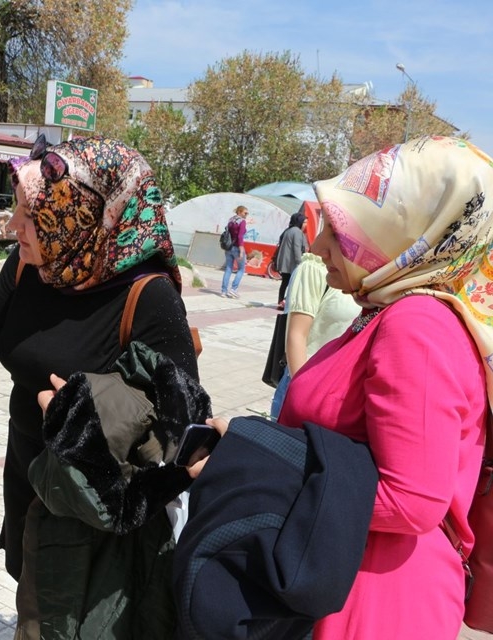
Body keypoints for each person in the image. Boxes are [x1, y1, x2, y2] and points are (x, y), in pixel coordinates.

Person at [200, 137, 493, 638]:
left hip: (374, 603)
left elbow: (411, 501)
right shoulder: (391, 312)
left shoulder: (417, 326)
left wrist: (257, 466)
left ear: (405, 230)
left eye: (338, 229)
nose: (316, 247)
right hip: (345, 578)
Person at [0, 136, 198, 604]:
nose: (14, 225)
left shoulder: (147, 295)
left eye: (33, 215)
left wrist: (82, 417)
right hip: (28, 480)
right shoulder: (32, 267)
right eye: (17, 209)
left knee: (68, 615)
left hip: (94, 510)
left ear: (81, 215)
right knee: (33, 600)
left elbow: (183, 428)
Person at [268, 253, 360, 420]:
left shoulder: (375, 273)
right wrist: (305, 397)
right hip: (308, 392)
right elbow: (297, 335)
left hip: (344, 399)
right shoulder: (314, 267)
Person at [273, 211, 309, 306]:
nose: (306, 225)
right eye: (305, 222)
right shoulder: (297, 232)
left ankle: (281, 300)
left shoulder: (288, 230)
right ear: (300, 222)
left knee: (284, 283)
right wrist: (300, 262)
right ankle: (286, 301)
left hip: (286, 263)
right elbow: (297, 248)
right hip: (292, 264)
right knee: (293, 283)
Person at [220, 205, 249, 298]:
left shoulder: (231, 220)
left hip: (228, 247)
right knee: (241, 269)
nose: (246, 215)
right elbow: (240, 236)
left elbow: (232, 231)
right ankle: (233, 289)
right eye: (245, 213)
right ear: (240, 212)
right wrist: (241, 250)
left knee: (228, 269)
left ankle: (223, 291)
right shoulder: (242, 221)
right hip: (237, 247)